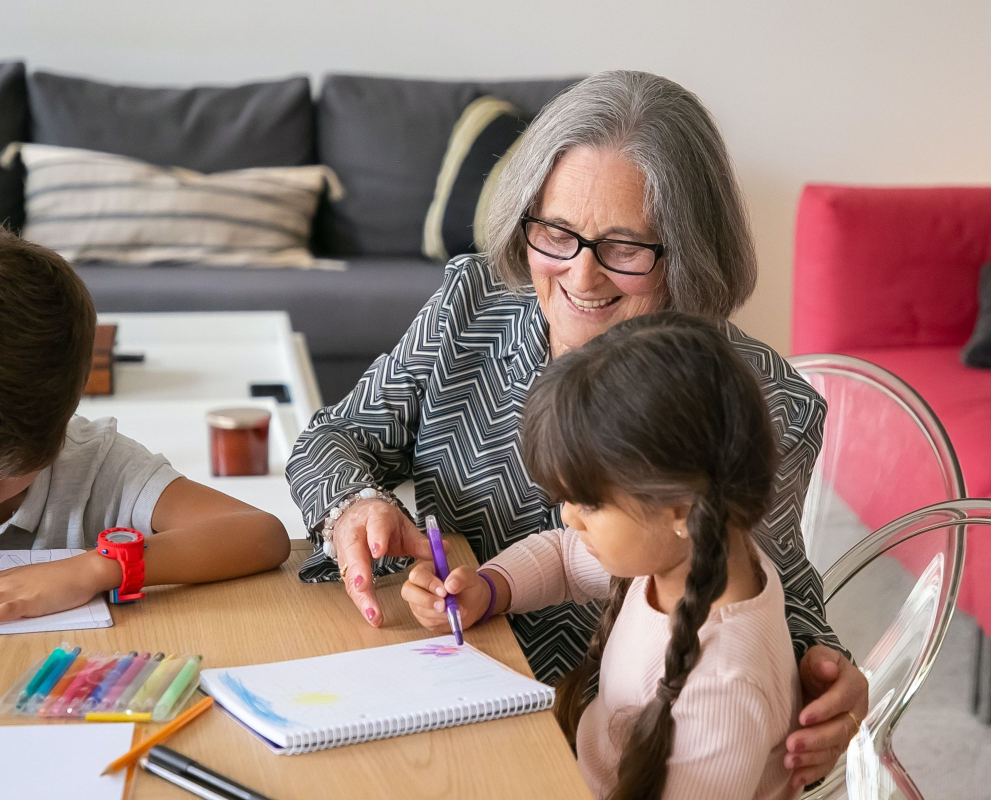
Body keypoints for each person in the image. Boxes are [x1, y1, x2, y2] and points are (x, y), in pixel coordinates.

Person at [286, 70, 865, 787]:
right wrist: (357, 506)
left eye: (624, 249)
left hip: (613, 749)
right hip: (435, 676)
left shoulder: (755, 399)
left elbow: (772, 590)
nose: (581, 278)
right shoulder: (471, 305)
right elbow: (330, 440)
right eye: (557, 233)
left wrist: (828, 673)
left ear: (689, 251)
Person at [405, 312, 799, 800]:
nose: (569, 518)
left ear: (679, 507)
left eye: (588, 503)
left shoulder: (721, 691)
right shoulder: (695, 553)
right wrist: (488, 590)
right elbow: (565, 557)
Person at [0, 230, 291, 625]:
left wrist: (92, 569)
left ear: (67, 411)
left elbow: (259, 533)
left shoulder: (97, 463)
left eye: (10, 467)